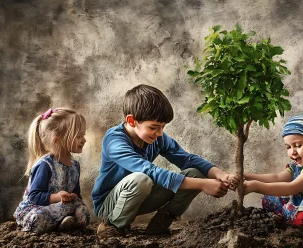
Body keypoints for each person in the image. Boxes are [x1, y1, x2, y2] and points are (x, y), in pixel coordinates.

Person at [92, 84, 239, 239]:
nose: (159, 133)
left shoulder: (157, 138)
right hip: (109, 206)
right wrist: (204, 185)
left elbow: (187, 159)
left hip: (138, 198)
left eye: (162, 127)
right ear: (132, 120)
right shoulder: (114, 140)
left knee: (196, 173)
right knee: (141, 178)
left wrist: (220, 174)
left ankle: (162, 222)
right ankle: (112, 226)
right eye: (154, 127)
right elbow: (148, 170)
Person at [243, 114, 303, 230]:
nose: (292, 152)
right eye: (288, 147)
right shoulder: (299, 163)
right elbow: (277, 177)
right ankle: (291, 221)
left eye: (297, 145)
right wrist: (247, 176)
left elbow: (293, 187)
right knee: (268, 198)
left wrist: (255, 186)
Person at [14, 108, 90, 233]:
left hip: (61, 208)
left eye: (84, 135)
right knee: (38, 217)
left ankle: (64, 222)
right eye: (78, 136)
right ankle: (62, 223)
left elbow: (76, 193)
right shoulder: (45, 164)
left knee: (83, 211)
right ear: (58, 139)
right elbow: (34, 196)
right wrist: (57, 197)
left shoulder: (75, 165)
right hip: (38, 207)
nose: (84, 139)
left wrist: (73, 196)